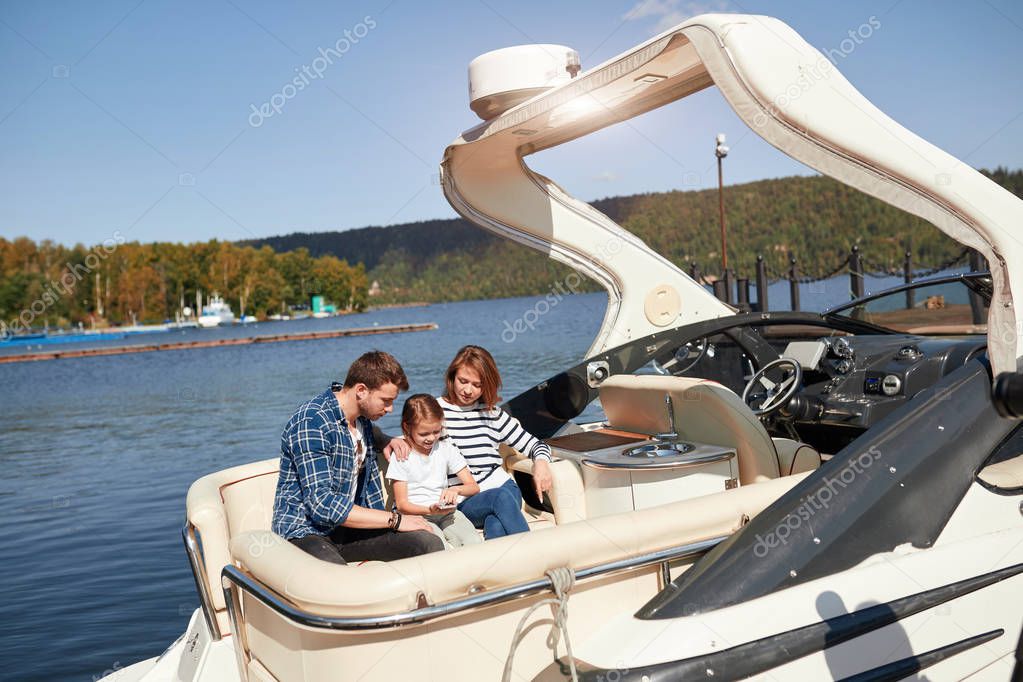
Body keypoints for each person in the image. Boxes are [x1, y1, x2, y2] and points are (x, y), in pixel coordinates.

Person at [272, 350, 443, 564]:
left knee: (427, 543)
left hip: (349, 531)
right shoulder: (311, 422)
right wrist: (395, 520)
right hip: (306, 532)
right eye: (386, 401)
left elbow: (362, 435)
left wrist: (385, 440)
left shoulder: (361, 420)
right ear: (361, 390)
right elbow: (322, 505)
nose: (390, 409)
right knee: (337, 577)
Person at [439, 345, 553, 539]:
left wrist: (541, 463)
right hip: (464, 499)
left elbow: (536, 445)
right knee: (498, 502)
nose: (468, 390)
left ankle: (505, 568)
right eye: (463, 381)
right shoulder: (435, 412)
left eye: (477, 385)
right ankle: (535, 553)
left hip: (504, 488)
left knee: (496, 523)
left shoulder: (493, 414)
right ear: (452, 377)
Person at [386, 394, 482, 549]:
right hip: (416, 515)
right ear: (406, 427)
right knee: (439, 546)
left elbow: (473, 487)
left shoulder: (446, 449)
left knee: (474, 543)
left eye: (436, 431)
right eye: (424, 434)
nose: (431, 438)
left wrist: (455, 489)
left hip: (448, 514)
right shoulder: (401, 456)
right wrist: (430, 510)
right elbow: (402, 504)